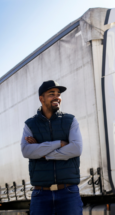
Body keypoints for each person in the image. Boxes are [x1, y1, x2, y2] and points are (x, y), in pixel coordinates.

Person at [20, 80, 83, 215]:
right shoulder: (30, 124)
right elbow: (26, 151)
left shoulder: (70, 120)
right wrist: (58, 143)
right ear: (41, 99)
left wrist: (42, 152)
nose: (57, 97)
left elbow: (76, 148)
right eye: (51, 94)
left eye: (58, 94)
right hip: (41, 194)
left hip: (68, 193)